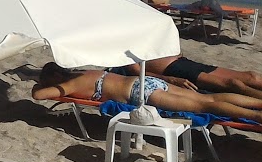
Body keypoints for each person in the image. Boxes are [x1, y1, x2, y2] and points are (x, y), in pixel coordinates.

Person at [33, 62, 262, 122]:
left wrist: (38, 86)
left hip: (140, 94)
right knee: (206, 97)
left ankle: (256, 116)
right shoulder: (85, 72)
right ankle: (258, 104)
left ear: (54, 78)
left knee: (205, 105)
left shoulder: (70, 85)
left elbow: (38, 96)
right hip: (147, 81)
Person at [109, 55, 262, 99]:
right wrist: (170, 79)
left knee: (251, 77)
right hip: (172, 69)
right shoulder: (125, 38)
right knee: (233, 84)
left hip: (184, 62)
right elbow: (136, 71)